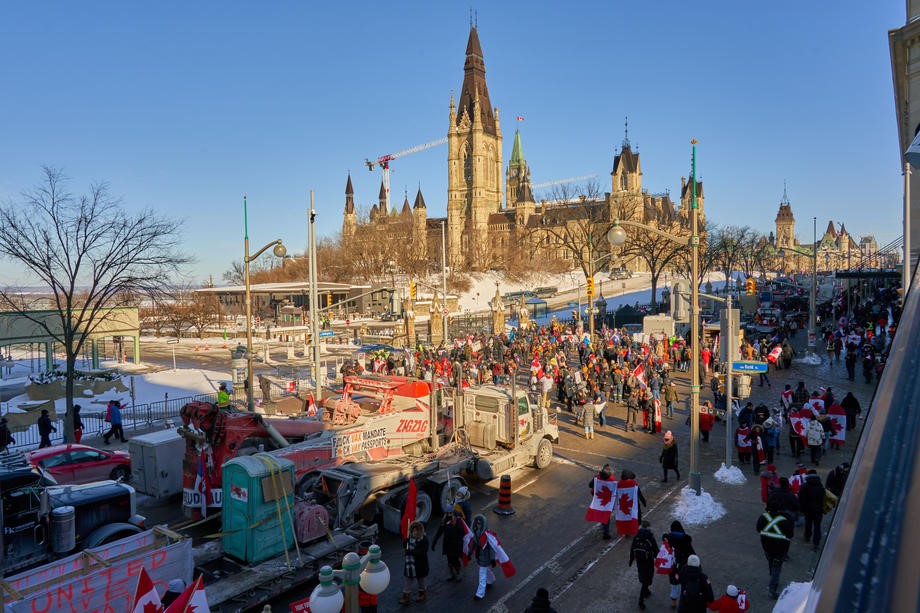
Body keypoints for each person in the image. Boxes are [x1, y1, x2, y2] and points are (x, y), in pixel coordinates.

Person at [756, 501, 794, 599]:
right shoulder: (785, 520)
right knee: (777, 568)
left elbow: (758, 529)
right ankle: (772, 590)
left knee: (770, 560)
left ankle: (772, 575)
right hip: (780, 548)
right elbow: (790, 535)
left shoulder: (763, 517)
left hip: (766, 546)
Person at [663, 521, 695, 608]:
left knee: (674, 584)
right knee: (683, 584)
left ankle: (673, 602)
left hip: (673, 566)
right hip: (683, 566)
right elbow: (691, 553)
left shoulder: (669, 539)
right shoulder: (685, 540)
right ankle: (683, 601)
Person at [629, 520, 658, 610]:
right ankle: (641, 601)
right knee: (647, 579)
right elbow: (655, 549)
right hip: (648, 562)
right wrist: (659, 559)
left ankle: (646, 590)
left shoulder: (636, 536)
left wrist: (631, 560)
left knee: (642, 576)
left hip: (639, 561)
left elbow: (632, 548)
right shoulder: (650, 537)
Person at [399, 520, 429, 604]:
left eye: (416, 530)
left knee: (420, 580)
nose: (415, 532)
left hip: (420, 564)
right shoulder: (410, 539)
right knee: (408, 580)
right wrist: (405, 541)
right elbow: (405, 546)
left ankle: (422, 593)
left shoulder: (424, 540)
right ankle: (406, 597)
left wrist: (410, 552)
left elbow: (422, 551)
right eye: (413, 530)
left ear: (420, 531)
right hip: (410, 566)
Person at [431, 510, 464, 582]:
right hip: (447, 544)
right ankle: (452, 574)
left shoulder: (457, 520)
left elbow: (461, 533)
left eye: (450, 513)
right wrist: (434, 542)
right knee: (449, 560)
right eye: (447, 513)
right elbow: (439, 532)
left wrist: (459, 543)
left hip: (455, 545)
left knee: (455, 560)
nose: (449, 514)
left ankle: (458, 573)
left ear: (453, 513)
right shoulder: (444, 521)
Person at [798, 469, 826, 551]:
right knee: (817, 526)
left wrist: (802, 509)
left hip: (808, 510)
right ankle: (816, 543)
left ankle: (807, 537)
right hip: (818, 510)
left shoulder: (804, 486)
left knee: (808, 524)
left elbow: (801, 499)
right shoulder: (820, 486)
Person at [587, 464, 616, 539]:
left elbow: (590, 485)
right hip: (607, 499)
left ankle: (603, 523)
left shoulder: (596, 477)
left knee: (601, 510)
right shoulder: (612, 480)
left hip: (598, 497)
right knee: (606, 514)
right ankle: (606, 532)